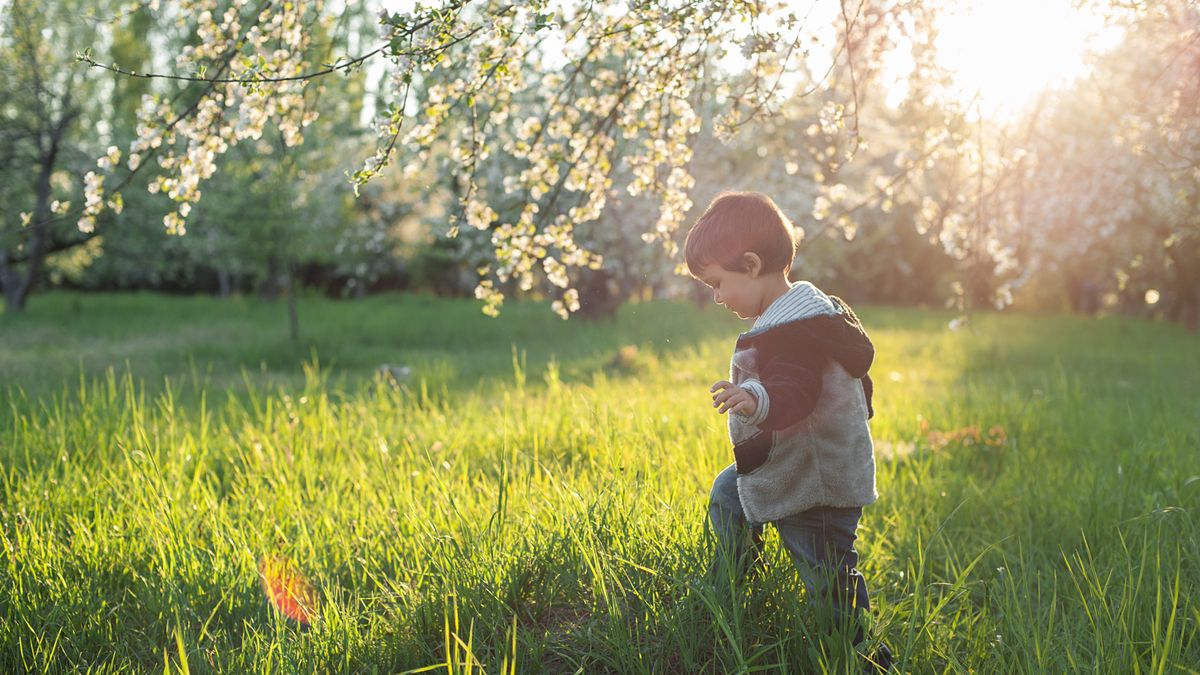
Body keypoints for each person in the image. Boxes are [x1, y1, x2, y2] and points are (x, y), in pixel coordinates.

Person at [684, 191, 892, 671]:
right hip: (788, 464)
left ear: (752, 263)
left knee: (827, 575)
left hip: (814, 483)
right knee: (728, 491)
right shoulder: (809, 316)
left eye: (717, 283)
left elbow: (794, 388)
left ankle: (862, 653)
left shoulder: (797, 329)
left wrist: (756, 399)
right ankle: (732, 586)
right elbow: (858, 382)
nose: (716, 297)